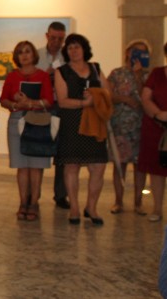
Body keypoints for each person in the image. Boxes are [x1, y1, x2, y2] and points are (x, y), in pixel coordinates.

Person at [54, 34, 110, 225]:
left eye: (77, 47)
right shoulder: (61, 71)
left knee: (99, 167)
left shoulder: (95, 68)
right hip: (72, 124)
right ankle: (75, 208)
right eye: (70, 48)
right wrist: (84, 102)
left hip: (95, 124)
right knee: (71, 166)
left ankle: (91, 207)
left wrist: (96, 96)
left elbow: (107, 92)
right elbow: (62, 101)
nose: (74, 51)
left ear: (84, 49)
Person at [0, 41, 54, 221]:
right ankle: (23, 202)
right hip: (17, 120)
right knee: (22, 165)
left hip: (37, 120)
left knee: (36, 166)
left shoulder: (43, 76)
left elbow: (49, 100)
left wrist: (31, 102)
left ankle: (34, 203)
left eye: (28, 52)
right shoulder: (12, 76)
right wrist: (16, 103)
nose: (24, 55)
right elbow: (3, 100)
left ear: (33, 55)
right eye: (21, 52)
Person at [107, 39, 150, 215]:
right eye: (135, 52)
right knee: (120, 165)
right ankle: (118, 201)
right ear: (128, 53)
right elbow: (108, 96)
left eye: (143, 52)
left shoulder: (148, 76)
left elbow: (146, 97)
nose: (138, 55)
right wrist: (124, 99)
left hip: (141, 126)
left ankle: (138, 203)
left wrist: (138, 76)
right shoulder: (117, 74)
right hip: (120, 125)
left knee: (140, 166)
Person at [36, 21, 69, 208]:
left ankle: (61, 195)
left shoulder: (68, 57)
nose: (57, 42)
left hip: (62, 107)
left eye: (60, 39)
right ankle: (34, 196)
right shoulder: (37, 55)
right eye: (53, 37)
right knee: (38, 150)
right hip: (42, 106)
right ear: (47, 36)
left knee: (63, 152)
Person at [138, 41, 167, 222]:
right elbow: (146, 97)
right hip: (156, 128)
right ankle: (157, 208)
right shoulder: (157, 73)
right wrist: (158, 114)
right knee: (156, 169)